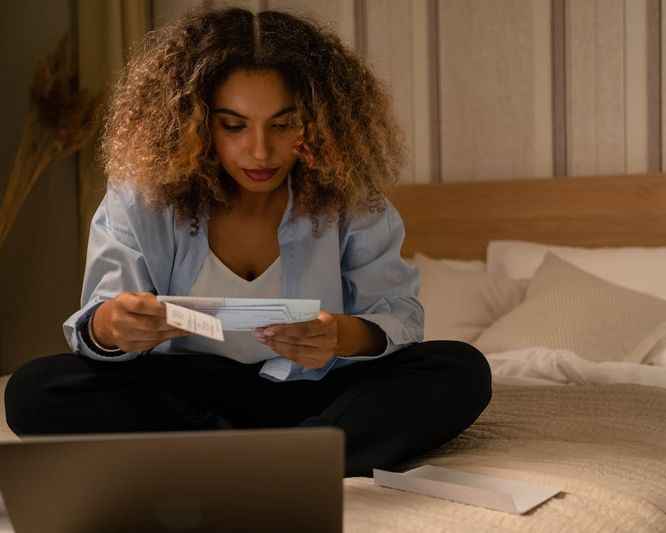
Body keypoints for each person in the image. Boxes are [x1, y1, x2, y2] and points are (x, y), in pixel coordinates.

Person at [4, 7, 491, 477]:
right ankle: (292, 459)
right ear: (194, 120)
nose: (261, 151)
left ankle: (264, 458)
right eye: (233, 125)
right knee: (33, 390)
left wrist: (338, 335)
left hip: (315, 391)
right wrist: (115, 325)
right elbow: (99, 322)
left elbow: (399, 318)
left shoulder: (352, 200)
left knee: (460, 369)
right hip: (185, 395)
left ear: (319, 120)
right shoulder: (141, 197)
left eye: (283, 124)